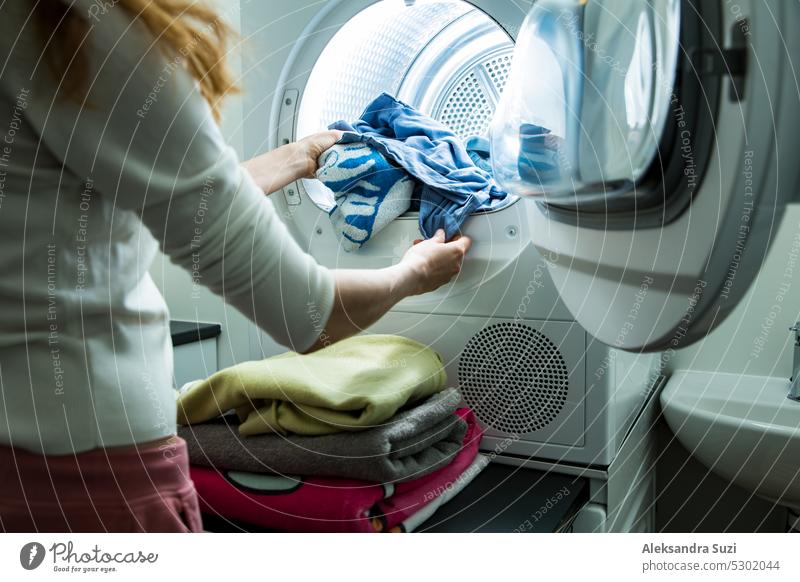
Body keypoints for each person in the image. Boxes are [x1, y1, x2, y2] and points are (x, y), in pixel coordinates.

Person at [0, 0, 470, 532]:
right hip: (87, 473)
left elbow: (118, 203)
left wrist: (298, 156)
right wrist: (414, 273)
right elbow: (307, 315)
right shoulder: (84, 30)